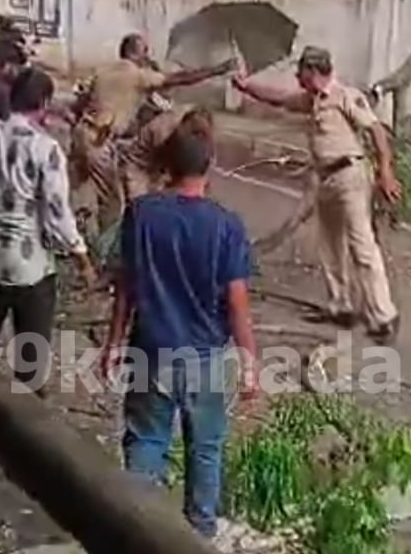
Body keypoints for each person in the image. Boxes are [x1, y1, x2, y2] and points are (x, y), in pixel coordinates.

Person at [98, 127, 258, 540]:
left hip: (151, 350)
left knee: (146, 442)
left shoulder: (142, 213)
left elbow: (127, 287)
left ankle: (133, 532)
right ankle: (198, 537)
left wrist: (114, 345)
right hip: (206, 358)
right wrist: (250, 363)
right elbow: (237, 301)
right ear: (211, 165)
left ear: (165, 165)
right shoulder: (226, 226)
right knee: (205, 450)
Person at [234, 45, 403, 342]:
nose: (297, 78)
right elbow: (279, 99)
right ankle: (340, 307)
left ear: (313, 71)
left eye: (300, 72)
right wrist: (246, 87)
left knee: (362, 246)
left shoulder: (346, 96)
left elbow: (376, 131)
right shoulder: (310, 100)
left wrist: (385, 172)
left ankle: (383, 316)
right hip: (325, 178)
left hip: (349, 175)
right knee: (329, 245)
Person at [0, 68, 95, 394]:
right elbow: (58, 214)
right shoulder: (44, 149)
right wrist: (81, 256)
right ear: (43, 103)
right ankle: (28, 407)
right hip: (31, 267)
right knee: (31, 347)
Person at [70, 33, 233, 233]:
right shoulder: (137, 76)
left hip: (82, 132)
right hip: (98, 141)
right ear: (133, 53)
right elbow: (180, 79)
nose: (147, 56)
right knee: (112, 202)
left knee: (72, 187)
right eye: (145, 51)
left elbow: (81, 99)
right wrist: (217, 70)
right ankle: (105, 251)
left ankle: (66, 230)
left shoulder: (103, 70)